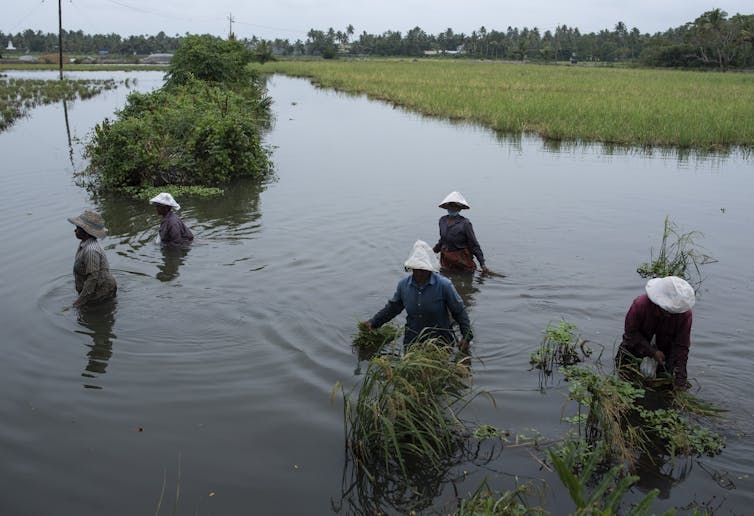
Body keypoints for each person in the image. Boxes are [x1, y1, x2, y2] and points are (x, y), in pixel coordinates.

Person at [364, 240, 473, 350]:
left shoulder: (444, 285)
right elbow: (392, 308)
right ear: (412, 268)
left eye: (423, 270)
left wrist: (466, 337)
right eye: (417, 269)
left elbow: (459, 311)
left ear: (429, 268)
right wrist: (373, 322)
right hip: (413, 340)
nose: (420, 273)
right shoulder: (404, 286)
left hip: (440, 342)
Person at [616, 276, 695, 390]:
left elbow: (681, 347)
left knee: (663, 388)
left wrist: (680, 380)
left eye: (671, 312)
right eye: (665, 310)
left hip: (665, 355)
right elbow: (630, 334)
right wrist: (652, 352)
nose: (668, 314)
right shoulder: (640, 305)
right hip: (634, 349)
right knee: (625, 382)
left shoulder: (684, 315)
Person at [67, 210, 117, 307]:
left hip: (101, 291)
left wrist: (79, 302)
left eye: (78, 228)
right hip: (96, 287)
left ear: (86, 232)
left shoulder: (91, 250)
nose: (75, 230)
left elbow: (92, 278)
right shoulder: (84, 244)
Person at [432, 191, 489, 273]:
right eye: (451, 205)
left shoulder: (465, 223)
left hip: (462, 259)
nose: (452, 208)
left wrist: (482, 264)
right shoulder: (442, 221)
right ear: (447, 206)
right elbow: (442, 240)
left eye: (455, 206)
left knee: (464, 278)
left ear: (460, 208)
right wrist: (431, 251)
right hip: (446, 259)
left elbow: (474, 244)